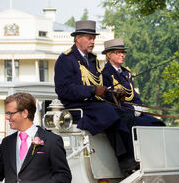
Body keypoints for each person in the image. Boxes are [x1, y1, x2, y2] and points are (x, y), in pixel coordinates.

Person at [53, 19, 136, 171]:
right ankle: (123, 159)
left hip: (93, 103)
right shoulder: (66, 59)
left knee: (126, 113)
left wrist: (113, 94)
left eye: (94, 38)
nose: (92, 41)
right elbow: (64, 90)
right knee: (108, 112)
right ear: (78, 38)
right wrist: (92, 90)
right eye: (89, 38)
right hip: (76, 105)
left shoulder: (93, 60)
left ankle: (131, 157)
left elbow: (99, 86)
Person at [101, 38, 165, 128]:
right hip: (121, 114)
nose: (122, 55)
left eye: (123, 52)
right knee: (149, 125)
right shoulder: (104, 74)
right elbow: (111, 100)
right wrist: (133, 109)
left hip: (133, 111)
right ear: (108, 55)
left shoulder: (126, 73)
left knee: (158, 123)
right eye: (117, 52)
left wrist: (140, 107)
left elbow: (134, 95)